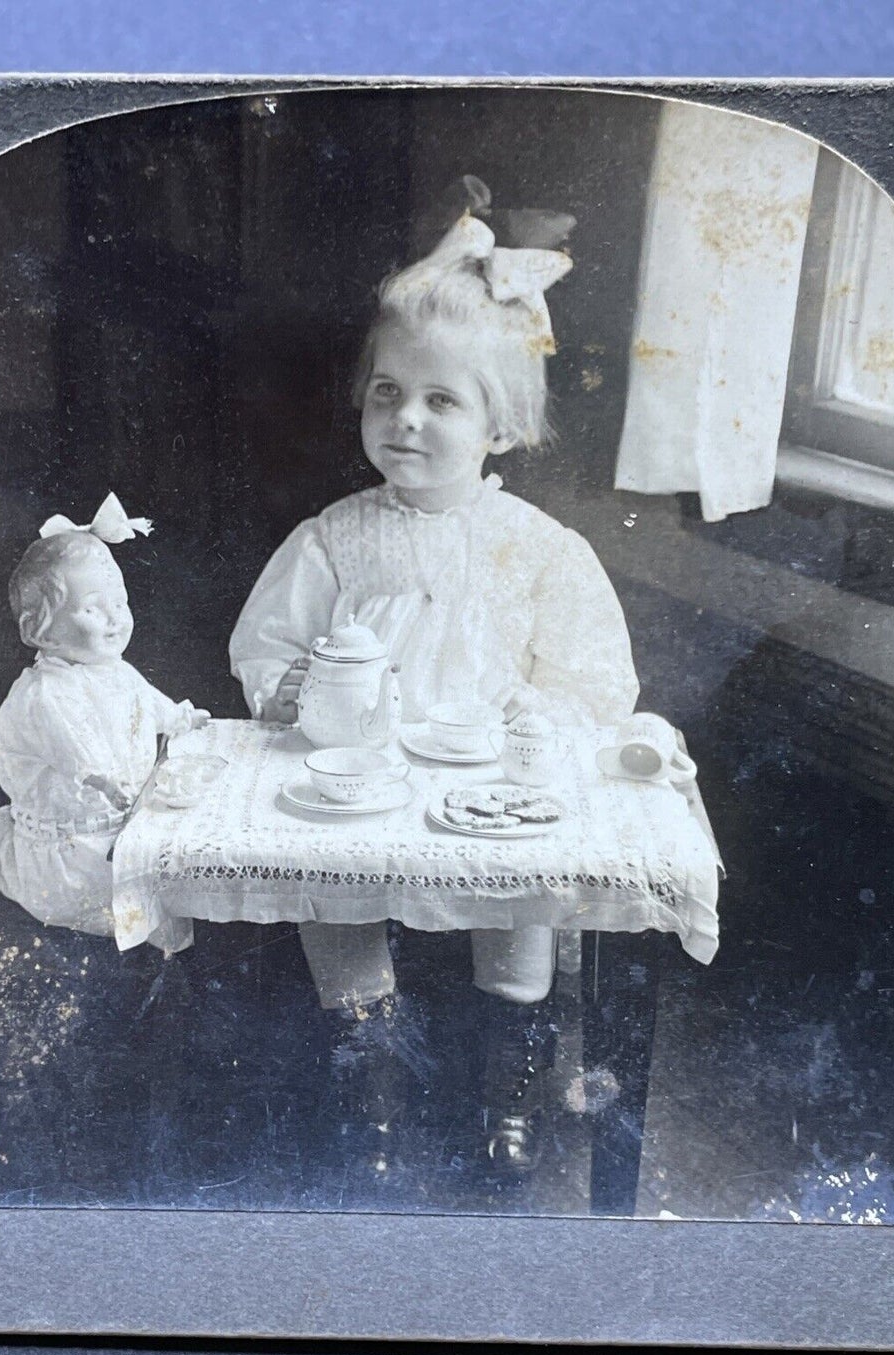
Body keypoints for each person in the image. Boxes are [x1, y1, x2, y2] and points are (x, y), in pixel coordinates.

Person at [229, 209, 640, 1171]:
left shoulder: (541, 550)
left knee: (517, 908)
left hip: (484, 792)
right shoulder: (334, 537)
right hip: (361, 782)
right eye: (386, 393)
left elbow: (593, 676)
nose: (404, 418)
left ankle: (508, 1102)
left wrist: (545, 715)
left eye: (440, 401)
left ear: (501, 423)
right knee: (332, 901)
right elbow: (268, 645)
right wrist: (300, 687)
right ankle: (370, 1095)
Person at [0, 494, 208, 943]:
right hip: (71, 851)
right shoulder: (45, 697)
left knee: (185, 862)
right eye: (91, 609)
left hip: (120, 824)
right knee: (154, 895)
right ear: (37, 630)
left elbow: (146, 701)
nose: (114, 620)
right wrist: (103, 780)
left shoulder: (114, 671)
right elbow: (78, 753)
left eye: (119, 603)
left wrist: (179, 718)